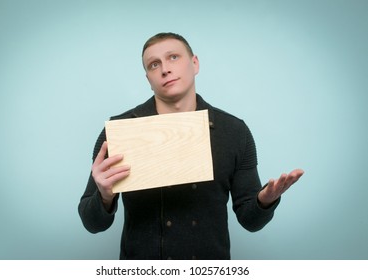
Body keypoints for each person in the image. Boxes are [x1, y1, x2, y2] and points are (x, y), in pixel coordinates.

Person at [78, 32, 304, 260]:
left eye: (173, 57)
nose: (165, 69)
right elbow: (92, 223)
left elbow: (250, 221)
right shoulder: (119, 131)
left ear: (194, 64)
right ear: (149, 79)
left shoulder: (234, 131)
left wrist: (265, 200)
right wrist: (104, 196)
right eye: (154, 64)